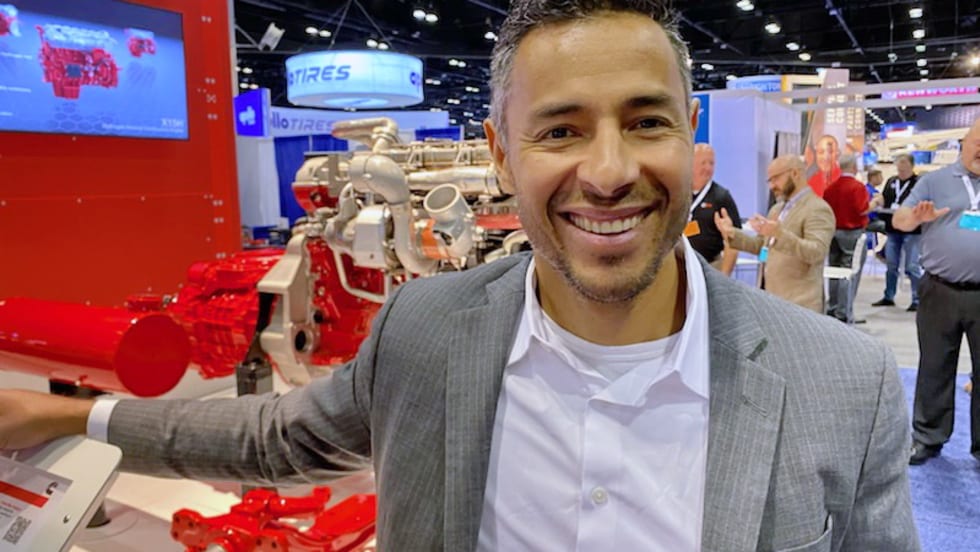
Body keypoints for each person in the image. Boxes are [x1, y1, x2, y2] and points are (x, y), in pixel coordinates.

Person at [0, 2, 919, 550]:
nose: (608, 171)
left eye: (646, 121)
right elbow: (275, 441)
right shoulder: (424, 329)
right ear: (501, 154)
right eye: (560, 130)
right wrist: (66, 416)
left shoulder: (845, 382)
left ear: (688, 135)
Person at [894, 118, 980, 466]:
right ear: (964, 143)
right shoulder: (935, 181)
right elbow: (899, 219)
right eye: (978, 142)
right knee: (934, 364)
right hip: (939, 289)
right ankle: (928, 436)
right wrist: (915, 218)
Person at [716, 155, 835, 314]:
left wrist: (780, 234)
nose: (772, 186)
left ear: (795, 173)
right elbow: (762, 246)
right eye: (770, 180)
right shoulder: (777, 209)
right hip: (772, 300)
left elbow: (816, 252)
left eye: (776, 178)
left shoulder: (817, 209)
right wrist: (732, 234)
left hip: (800, 304)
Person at [870, 153, 923, 311]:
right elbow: (885, 198)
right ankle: (889, 295)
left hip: (912, 230)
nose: (900, 166)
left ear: (911, 165)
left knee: (912, 266)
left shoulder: (918, 183)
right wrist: (876, 202)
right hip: (893, 229)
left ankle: (917, 299)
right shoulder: (892, 181)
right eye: (899, 163)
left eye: (903, 163)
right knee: (891, 264)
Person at [823, 154, 870, 324]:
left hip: (833, 232)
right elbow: (862, 209)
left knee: (834, 270)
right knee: (849, 272)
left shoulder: (830, 188)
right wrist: (875, 204)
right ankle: (844, 311)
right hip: (852, 233)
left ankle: (832, 307)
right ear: (854, 167)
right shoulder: (857, 187)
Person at [688, 143, 742, 275]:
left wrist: (724, 276)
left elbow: (734, 241)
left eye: (711, 163)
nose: (708, 168)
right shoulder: (679, 193)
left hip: (711, 267)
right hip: (681, 266)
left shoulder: (721, 197)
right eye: (703, 163)